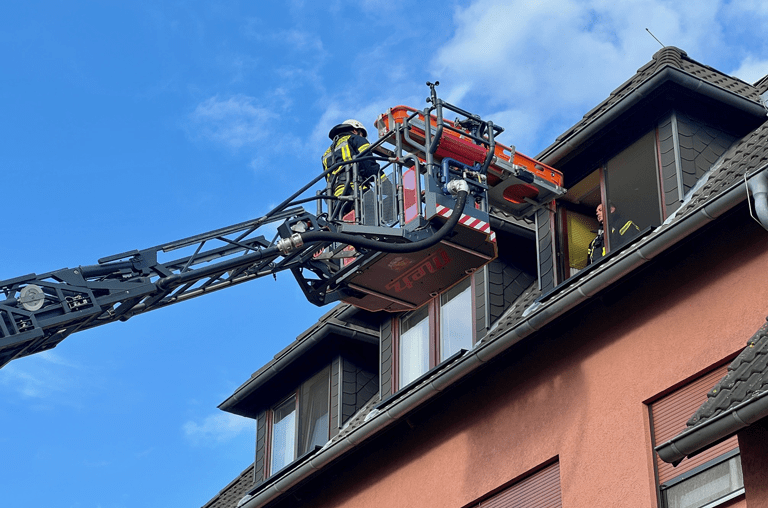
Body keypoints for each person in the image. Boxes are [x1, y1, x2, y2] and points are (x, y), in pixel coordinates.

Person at [322, 119, 380, 202]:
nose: (362, 137)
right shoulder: (356, 139)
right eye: (361, 134)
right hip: (356, 190)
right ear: (355, 131)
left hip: (336, 199)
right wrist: (386, 184)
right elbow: (369, 164)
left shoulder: (326, 154)